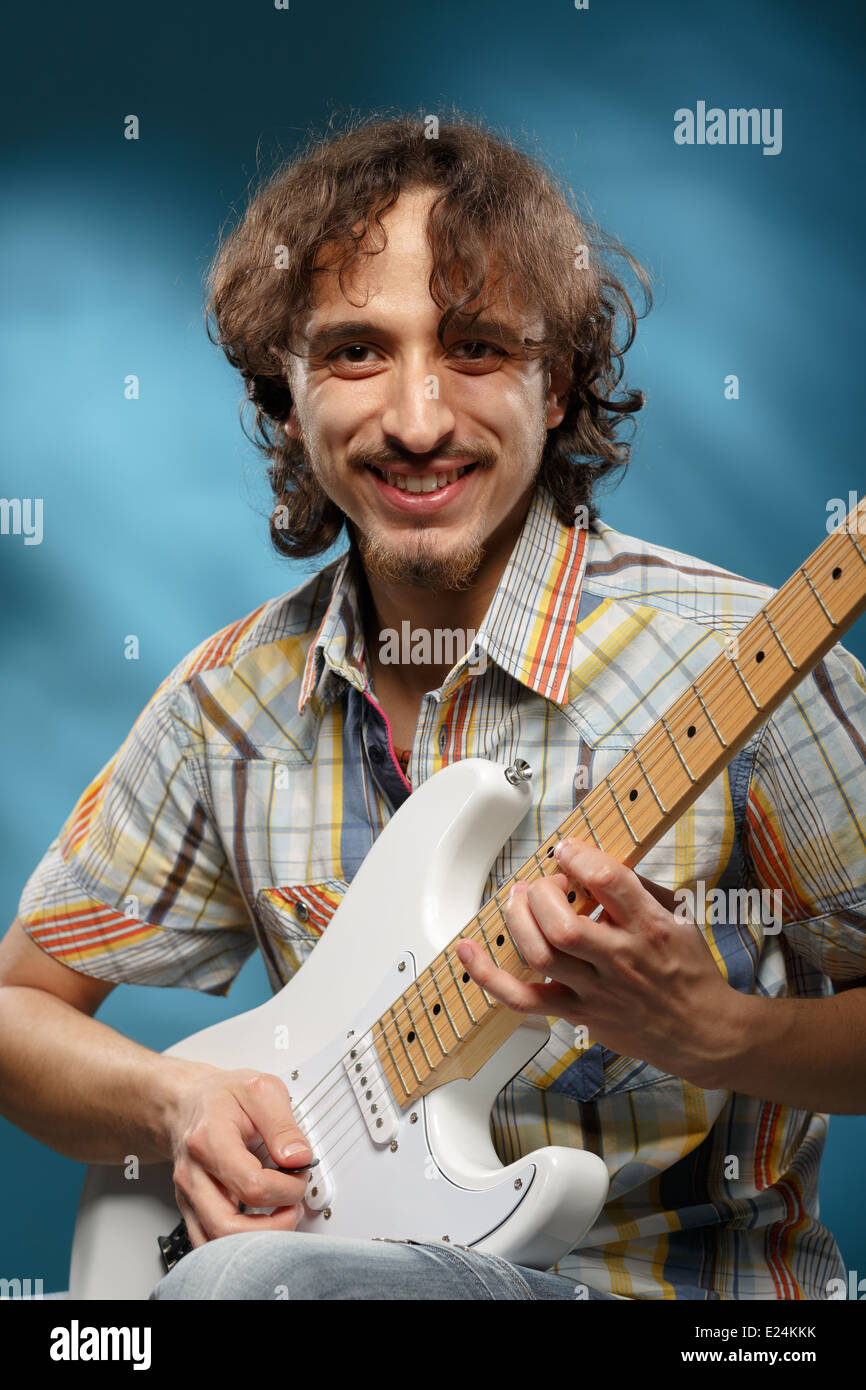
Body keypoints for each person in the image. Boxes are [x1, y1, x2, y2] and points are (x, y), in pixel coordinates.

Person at [1, 112, 864, 1302]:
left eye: (473, 350)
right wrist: (179, 1098)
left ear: (555, 384)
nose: (415, 420)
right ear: (284, 391)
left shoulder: (738, 657)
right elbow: (16, 1013)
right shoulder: (228, 701)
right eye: (355, 352)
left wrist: (718, 1031)